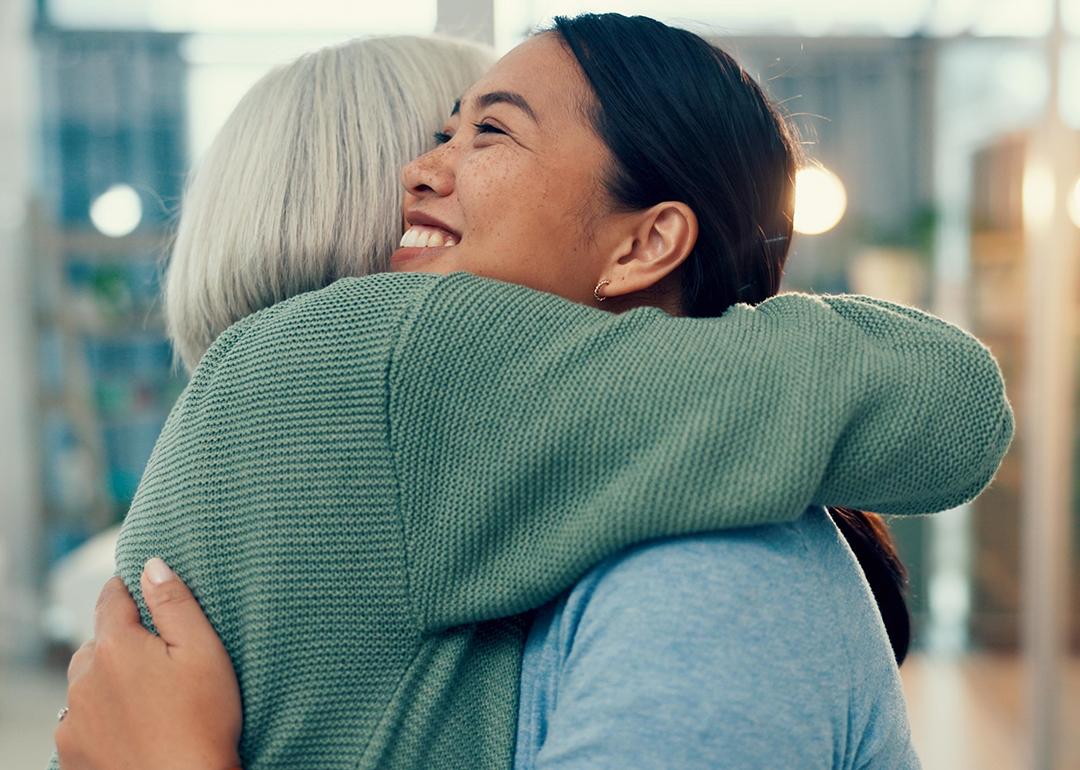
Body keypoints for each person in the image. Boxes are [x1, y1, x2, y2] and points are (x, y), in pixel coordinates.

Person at [54, 16, 1012, 770]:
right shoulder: (373, 358)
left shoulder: (693, 555)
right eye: (442, 130)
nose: (421, 174)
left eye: (489, 132)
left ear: (645, 242)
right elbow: (950, 403)